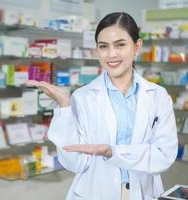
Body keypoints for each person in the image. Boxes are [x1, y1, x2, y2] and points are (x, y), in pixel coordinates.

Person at [26, 12, 178, 200]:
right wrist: (64, 106)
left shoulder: (158, 96)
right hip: (95, 193)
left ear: (137, 46)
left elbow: (164, 156)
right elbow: (75, 163)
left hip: (142, 192)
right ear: (96, 50)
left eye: (120, 44)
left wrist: (113, 152)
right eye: (103, 46)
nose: (111, 54)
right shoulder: (82, 97)